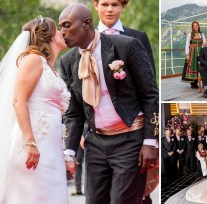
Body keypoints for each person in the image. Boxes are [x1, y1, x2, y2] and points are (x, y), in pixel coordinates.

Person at [58, 3, 159, 204]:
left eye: (67, 26)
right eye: (61, 27)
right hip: (95, 143)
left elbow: (150, 95)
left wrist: (150, 141)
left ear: (86, 23)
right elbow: (73, 113)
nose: (62, 33)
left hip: (130, 140)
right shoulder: (68, 61)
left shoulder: (127, 45)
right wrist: (69, 152)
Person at [0, 16, 69, 203]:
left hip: (52, 149)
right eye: (59, 28)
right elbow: (18, 101)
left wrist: (65, 154)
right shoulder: (33, 60)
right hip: (33, 146)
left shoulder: (50, 67)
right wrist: (30, 143)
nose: (64, 31)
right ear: (50, 36)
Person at [93, 0, 155, 76]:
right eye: (105, 5)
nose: (110, 9)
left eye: (115, 5)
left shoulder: (139, 37)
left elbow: (150, 77)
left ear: (123, 6)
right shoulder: (86, 39)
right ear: (96, 6)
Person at [182, 21, 206, 88]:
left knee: (199, 66)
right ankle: (193, 83)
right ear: (192, 27)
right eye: (194, 26)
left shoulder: (202, 34)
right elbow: (187, 45)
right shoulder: (190, 34)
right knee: (193, 66)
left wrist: (204, 44)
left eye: (196, 25)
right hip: (192, 52)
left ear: (198, 26)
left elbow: (204, 43)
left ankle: (200, 81)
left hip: (200, 52)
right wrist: (187, 54)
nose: (195, 27)